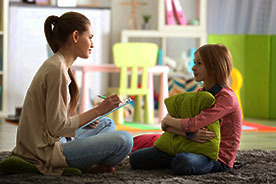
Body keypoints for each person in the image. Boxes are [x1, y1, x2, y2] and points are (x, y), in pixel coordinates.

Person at [12, 11, 133, 176]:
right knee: (125, 139)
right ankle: (87, 163)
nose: (92, 44)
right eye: (90, 37)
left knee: (106, 124)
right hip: (43, 153)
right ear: (76, 36)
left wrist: (88, 118)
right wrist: (98, 110)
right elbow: (57, 127)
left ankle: (88, 159)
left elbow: (53, 123)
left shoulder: (58, 64)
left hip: (51, 140)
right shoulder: (56, 70)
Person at [129, 44, 242, 175]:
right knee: (136, 159)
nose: (193, 67)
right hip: (191, 146)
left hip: (216, 157)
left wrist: (171, 122)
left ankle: (179, 159)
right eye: (194, 63)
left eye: (199, 63)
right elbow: (166, 124)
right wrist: (188, 134)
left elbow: (192, 124)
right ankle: (175, 157)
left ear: (214, 66)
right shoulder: (201, 92)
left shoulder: (226, 98)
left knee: (183, 162)